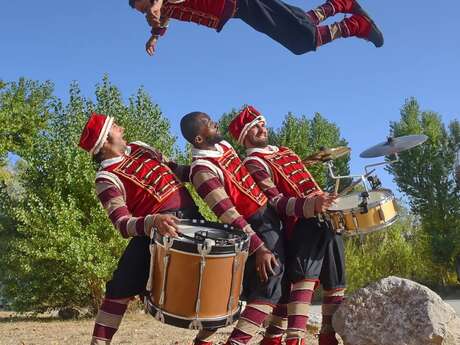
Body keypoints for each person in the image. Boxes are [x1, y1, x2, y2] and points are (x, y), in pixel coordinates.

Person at [78, 113, 209, 345]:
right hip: (153, 233)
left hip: (193, 220)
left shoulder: (141, 148)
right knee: (119, 288)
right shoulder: (106, 178)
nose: (123, 128)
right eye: (117, 127)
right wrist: (152, 222)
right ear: (106, 139)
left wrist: (211, 173)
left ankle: (204, 340)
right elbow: (121, 223)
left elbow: (176, 170)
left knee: (223, 269)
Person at [228, 106, 346, 345]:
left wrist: (324, 199)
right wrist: (312, 205)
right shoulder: (253, 162)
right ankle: (295, 339)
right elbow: (276, 201)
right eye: (256, 126)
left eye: (263, 123)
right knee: (306, 275)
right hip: (299, 224)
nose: (263, 128)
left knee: (336, 276)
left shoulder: (285, 152)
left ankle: (327, 333)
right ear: (245, 135)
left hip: (322, 216)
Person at [181, 111, 289, 345]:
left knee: (246, 288)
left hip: (265, 217)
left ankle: (206, 342)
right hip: (249, 225)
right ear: (199, 138)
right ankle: (238, 341)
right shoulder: (201, 170)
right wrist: (258, 247)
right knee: (271, 277)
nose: (216, 124)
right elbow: (229, 214)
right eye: (210, 124)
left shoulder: (223, 146)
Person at [129, 0, 383, 56]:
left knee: (301, 40)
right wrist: (155, 37)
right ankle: (342, 5)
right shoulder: (163, 11)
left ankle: (355, 25)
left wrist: (157, 2)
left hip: (243, 2)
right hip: (241, 11)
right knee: (298, 22)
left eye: (142, 7)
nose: (145, 12)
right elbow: (165, 20)